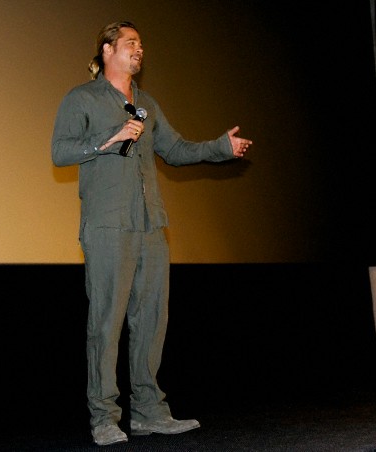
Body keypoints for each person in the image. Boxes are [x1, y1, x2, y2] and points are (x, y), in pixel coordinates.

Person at [51, 20, 252, 446]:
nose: (138, 50)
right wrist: (110, 136)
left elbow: (175, 151)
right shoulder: (82, 98)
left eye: (141, 45)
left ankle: (148, 412)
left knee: (151, 322)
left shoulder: (147, 104)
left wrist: (220, 147)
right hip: (108, 226)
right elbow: (60, 151)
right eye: (129, 43)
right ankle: (104, 417)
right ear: (106, 50)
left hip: (150, 226)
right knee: (106, 324)